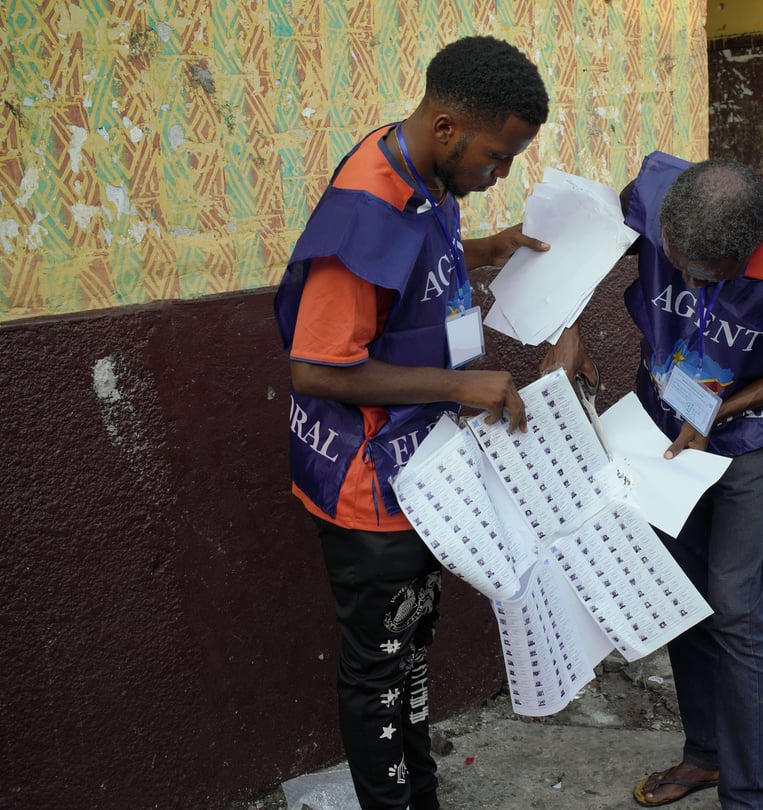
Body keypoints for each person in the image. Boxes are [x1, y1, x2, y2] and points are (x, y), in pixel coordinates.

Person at [546, 154, 763, 809]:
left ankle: (747, 794)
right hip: (655, 436)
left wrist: (720, 411)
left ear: (747, 253)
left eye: (705, 277)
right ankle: (702, 757)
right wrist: (567, 328)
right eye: (676, 263)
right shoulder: (655, 194)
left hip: (745, 443)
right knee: (682, 596)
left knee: (732, 607)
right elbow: (582, 245)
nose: (689, 284)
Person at [273, 36, 549, 810]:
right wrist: (461, 389)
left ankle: (415, 793)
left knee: (407, 660)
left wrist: (484, 250)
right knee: (382, 667)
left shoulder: (421, 172)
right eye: (496, 157)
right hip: (369, 488)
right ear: (449, 127)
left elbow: (409, 266)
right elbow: (316, 366)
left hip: (418, 468)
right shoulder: (367, 204)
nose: (498, 175)